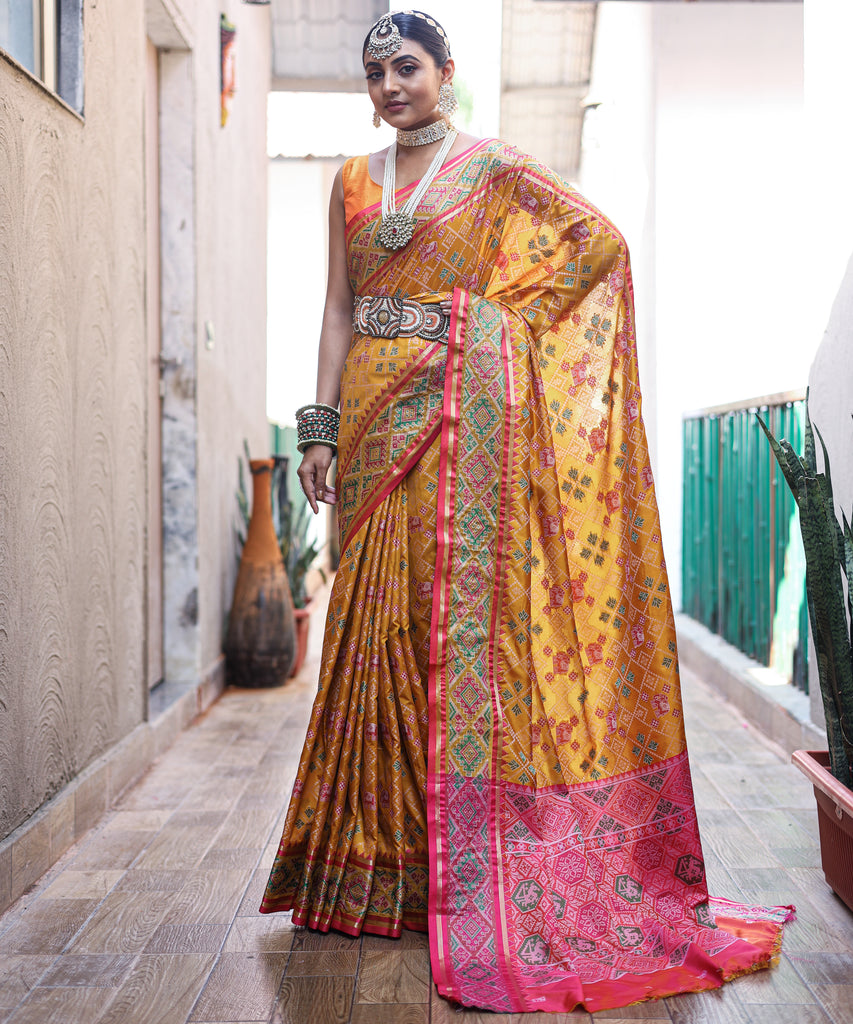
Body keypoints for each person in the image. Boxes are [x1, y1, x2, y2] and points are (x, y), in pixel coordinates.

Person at [260, 9, 794, 1014]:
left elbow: (596, 244)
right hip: (375, 413)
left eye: (405, 67)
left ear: (446, 72)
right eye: (374, 73)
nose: (389, 86)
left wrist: (485, 323)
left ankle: (459, 865)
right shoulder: (350, 182)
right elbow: (337, 306)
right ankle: (369, 864)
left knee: (441, 625)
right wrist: (318, 425)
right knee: (365, 628)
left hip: (461, 414)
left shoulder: (493, 171)